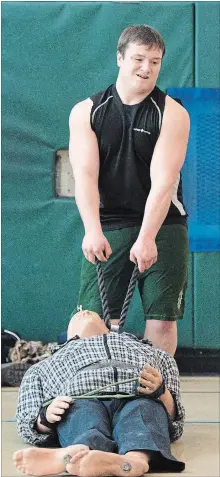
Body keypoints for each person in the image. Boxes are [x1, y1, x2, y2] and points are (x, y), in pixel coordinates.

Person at [69, 25, 190, 356]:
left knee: (162, 321)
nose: (146, 68)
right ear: (120, 58)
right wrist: (92, 230)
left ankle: (156, 399)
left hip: (163, 224)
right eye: (138, 59)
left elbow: (164, 181)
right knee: (89, 319)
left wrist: (148, 236)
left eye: (154, 61)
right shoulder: (87, 112)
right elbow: (84, 175)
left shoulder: (172, 114)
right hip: (108, 224)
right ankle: (94, 399)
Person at [14, 310, 185, 476]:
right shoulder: (41, 368)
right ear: (66, 337)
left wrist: (161, 392)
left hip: (138, 397)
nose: (84, 312)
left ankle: (134, 460)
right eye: (76, 316)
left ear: (108, 327)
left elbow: (174, 420)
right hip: (80, 400)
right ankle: (79, 453)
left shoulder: (159, 356)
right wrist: (45, 417)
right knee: (80, 414)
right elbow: (26, 424)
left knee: (144, 411)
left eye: (93, 313)